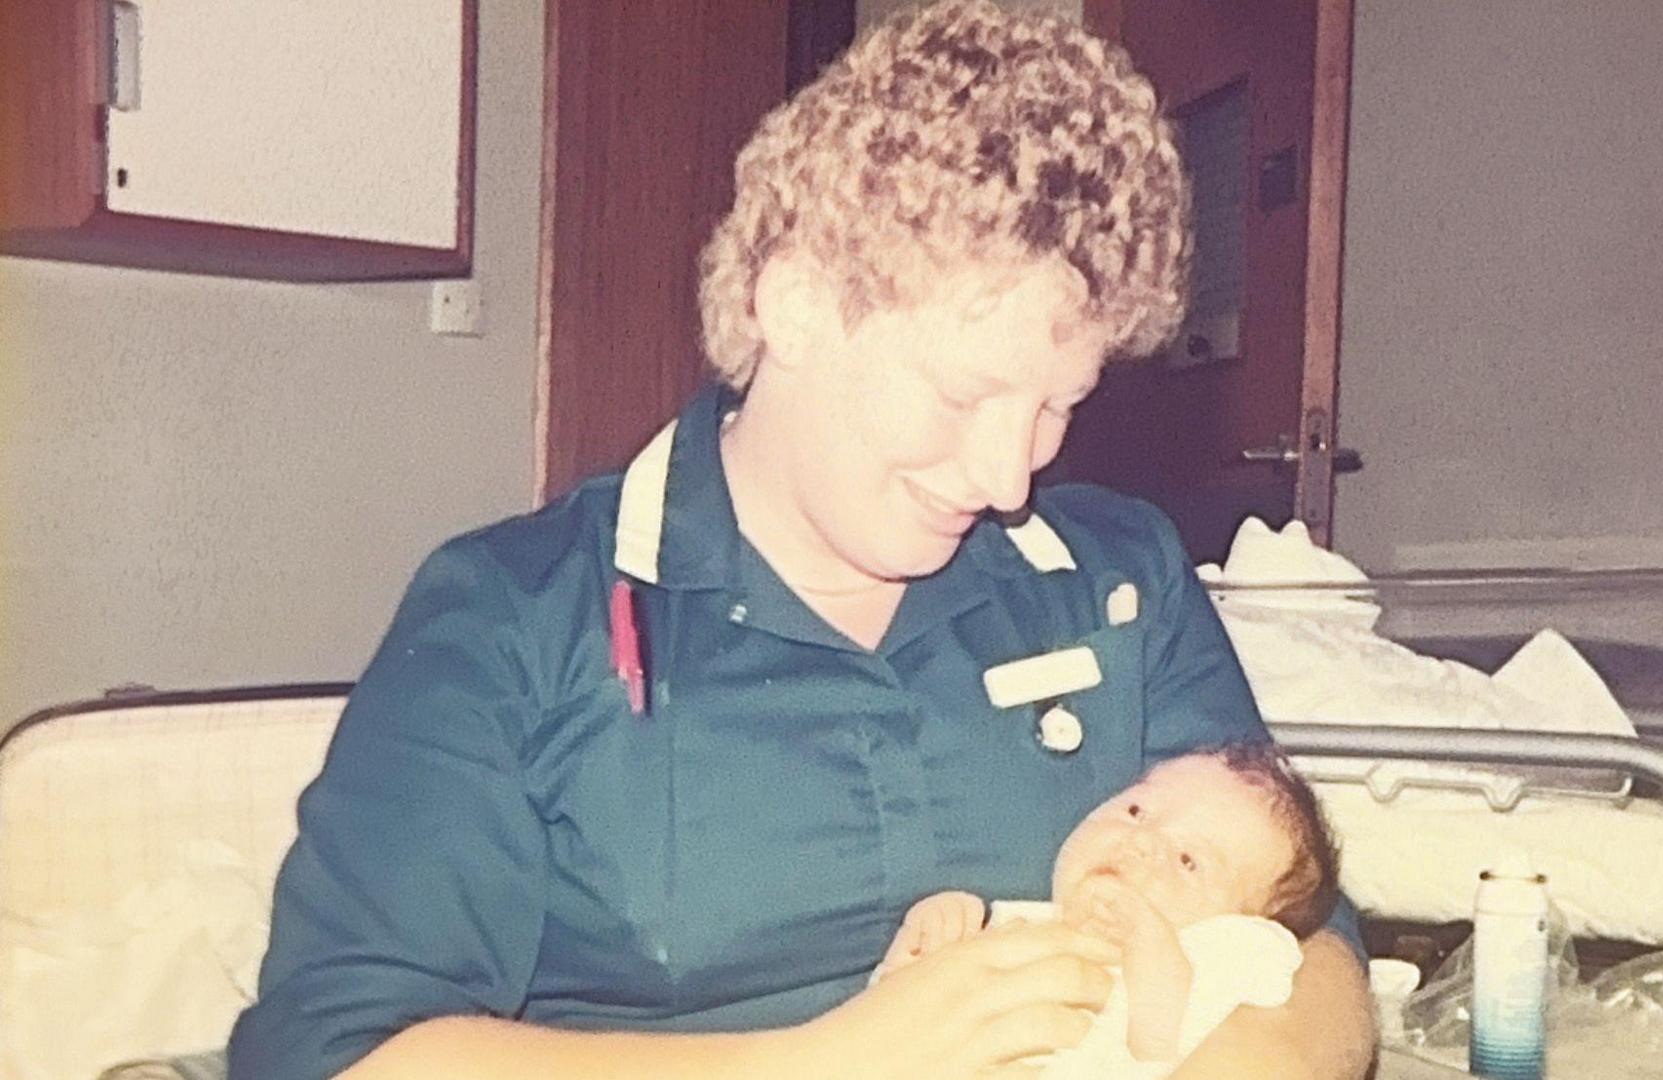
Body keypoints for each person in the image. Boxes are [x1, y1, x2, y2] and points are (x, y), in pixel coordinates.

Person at [227, 3, 1376, 1078]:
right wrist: (834, 1058)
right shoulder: (514, 617)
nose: (1009, 474)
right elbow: (337, 1051)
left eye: (1056, 405)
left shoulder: (1119, 576)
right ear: (799, 305)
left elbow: (1312, 937)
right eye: (963, 395)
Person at [873, 745, 1341, 1077]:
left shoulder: (1218, 957)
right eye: (1137, 811)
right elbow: (892, 1036)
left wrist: (1151, 954)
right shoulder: (1017, 926)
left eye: (1187, 861)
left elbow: (1162, 1050)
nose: (1138, 842)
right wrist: (918, 955)